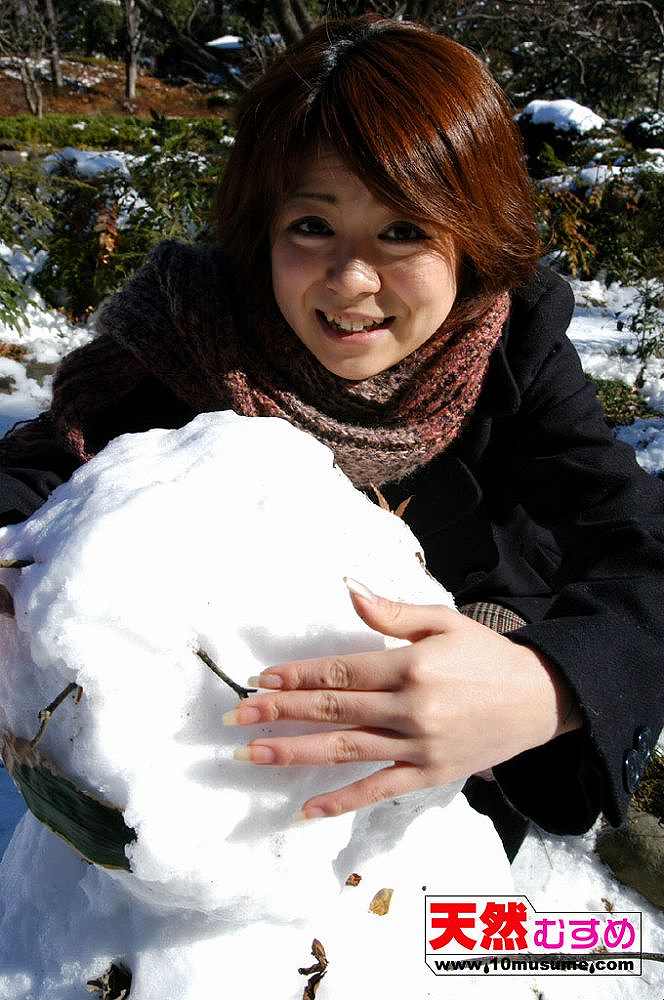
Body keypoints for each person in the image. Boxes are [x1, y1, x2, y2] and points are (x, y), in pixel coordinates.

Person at [0, 13, 662, 864]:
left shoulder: (508, 343)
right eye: (312, 226)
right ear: (263, 228)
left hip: (463, 755)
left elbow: (641, 545)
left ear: (470, 233)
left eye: (403, 230)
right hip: (223, 782)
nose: (351, 280)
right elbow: (51, 467)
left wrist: (548, 685)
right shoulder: (195, 338)